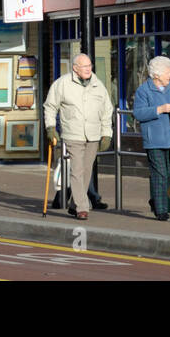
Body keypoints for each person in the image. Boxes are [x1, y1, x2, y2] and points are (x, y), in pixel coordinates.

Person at [43, 53, 113, 220]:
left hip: (93, 134)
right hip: (73, 133)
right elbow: (50, 106)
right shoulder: (62, 84)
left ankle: (75, 204)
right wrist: (51, 128)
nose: (89, 69)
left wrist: (106, 134)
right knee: (77, 170)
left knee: (87, 170)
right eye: (84, 66)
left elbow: (107, 110)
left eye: (90, 66)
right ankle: (82, 207)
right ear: (75, 68)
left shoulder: (98, 85)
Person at [132, 55, 170, 221]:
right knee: (160, 173)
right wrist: (160, 109)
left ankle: (155, 199)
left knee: (169, 172)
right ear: (157, 74)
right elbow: (138, 113)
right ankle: (161, 211)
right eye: (168, 72)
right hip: (153, 140)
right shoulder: (144, 90)